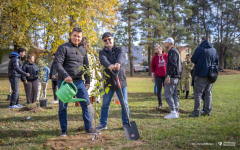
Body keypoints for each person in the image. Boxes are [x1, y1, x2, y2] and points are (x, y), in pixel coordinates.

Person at [54, 27, 95, 136]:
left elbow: (86, 66)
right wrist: (65, 75)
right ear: (71, 36)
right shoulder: (63, 48)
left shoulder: (83, 50)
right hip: (65, 82)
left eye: (79, 36)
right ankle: (64, 130)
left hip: (79, 82)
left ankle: (89, 128)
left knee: (86, 103)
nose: (76, 38)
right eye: (75, 35)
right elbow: (57, 63)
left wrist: (88, 81)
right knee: (63, 106)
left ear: (81, 38)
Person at [96, 32, 129, 130]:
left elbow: (121, 57)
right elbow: (103, 60)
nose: (107, 41)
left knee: (124, 104)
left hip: (120, 80)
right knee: (105, 104)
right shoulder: (102, 52)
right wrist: (109, 65)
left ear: (113, 39)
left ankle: (126, 123)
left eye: (109, 39)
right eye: (105, 40)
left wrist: (118, 63)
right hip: (108, 82)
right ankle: (103, 124)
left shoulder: (120, 49)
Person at [189, 37, 218, 117]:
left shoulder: (199, 49)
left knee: (198, 93)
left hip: (201, 74)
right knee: (208, 93)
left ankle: (197, 112)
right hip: (211, 75)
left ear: (202, 41)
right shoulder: (214, 50)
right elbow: (216, 61)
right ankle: (207, 110)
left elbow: (193, 59)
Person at [163, 37, 182, 119]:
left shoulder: (172, 51)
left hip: (172, 77)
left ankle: (173, 111)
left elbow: (173, 64)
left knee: (167, 95)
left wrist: (168, 76)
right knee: (174, 95)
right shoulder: (175, 51)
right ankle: (176, 111)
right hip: (176, 77)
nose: (165, 43)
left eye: (166, 42)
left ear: (170, 43)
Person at [151, 44, 168, 109]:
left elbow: (169, 65)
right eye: (155, 49)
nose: (155, 50)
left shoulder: (166, 56)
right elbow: (153, 68)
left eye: (156, 49)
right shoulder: (154, 58)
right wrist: (152, 77)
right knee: (159, 90)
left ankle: (169, 102)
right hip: (158, 76)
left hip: (165, 76)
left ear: (160, 49)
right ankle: (160, 103)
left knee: (167, 89)